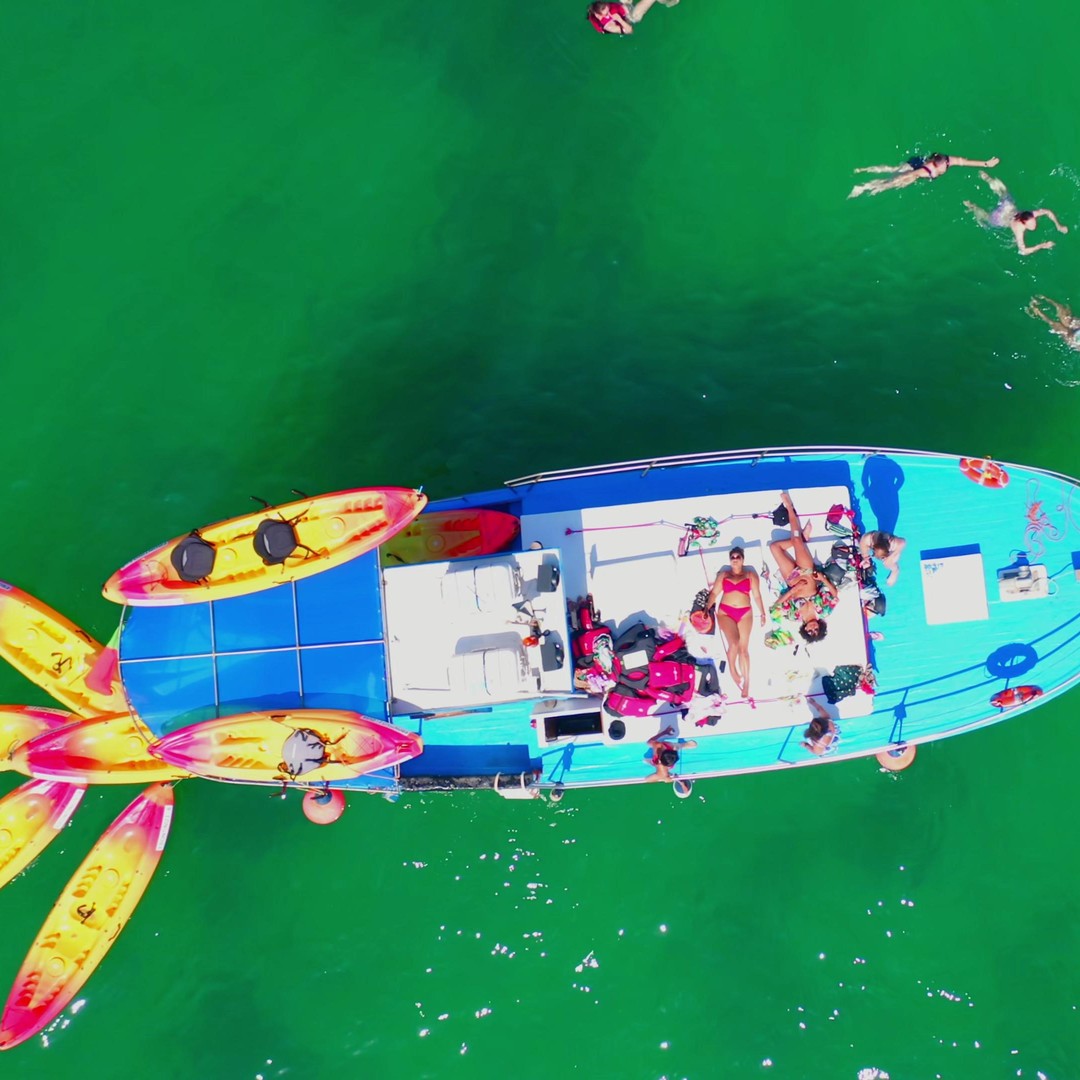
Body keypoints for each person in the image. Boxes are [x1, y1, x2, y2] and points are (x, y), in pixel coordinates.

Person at [768, 493, 838, 643]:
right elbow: (835, 595)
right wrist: (822, 579)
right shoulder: (824, 612)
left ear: (805, 630)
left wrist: (793, 590)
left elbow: (776, 606)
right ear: (820, 627)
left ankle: (802, 539)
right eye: (816, 630)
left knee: (774, 547)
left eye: (810, 632)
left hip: (792, 579)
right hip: (807, 573)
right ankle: (789, 507)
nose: (812, 628)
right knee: (796, 541)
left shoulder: (794, 616)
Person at [705, 546, 766, 697]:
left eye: (738, 557)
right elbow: (714, 593)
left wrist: (762, 612)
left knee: (744, 649)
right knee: (734, 643)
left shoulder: (750, 575)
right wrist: (707, 607)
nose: (735, 559)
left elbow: (757, 595)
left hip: (745, 612)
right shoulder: (724, 575)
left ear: (743, 559)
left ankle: (747, 683)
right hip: (726, 612)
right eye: (732, 557)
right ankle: (732, 669)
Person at [963, 172, 1068, 255]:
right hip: (999, 218)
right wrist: (1042, 246)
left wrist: (1058, 225)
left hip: (1007, 208)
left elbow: (1047, 212)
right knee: (986, 217)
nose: (1034, 225)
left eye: (1034, 222)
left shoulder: (1031, 214)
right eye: (1031, 224)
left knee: (1004, 191)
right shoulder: (1019, 229)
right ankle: (972, 206)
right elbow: (1023, 251)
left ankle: (987, 178)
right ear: (1023, 223)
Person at [848, 152, 999, 199]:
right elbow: (905, 177)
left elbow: (965, 162)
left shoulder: (948, 160)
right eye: (941, 169)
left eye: (945, 167)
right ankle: (863, 187)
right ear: (934, 165)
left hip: (917, 163)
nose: (944, 170)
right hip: (915, 170)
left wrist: (986, 164)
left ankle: (863, 170)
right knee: (895, 181)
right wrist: (887, 185)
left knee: (895, 169)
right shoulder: (925, 171)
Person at [586, 0, 678, 34]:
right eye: (606, 14)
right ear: (599, 15)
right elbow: (630, 31)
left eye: (608, 8)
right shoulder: (609, 26)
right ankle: (670, 2)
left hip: (624, 6)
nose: (609, 13)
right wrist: (619, 20)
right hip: (631, 17)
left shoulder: (600, 7)